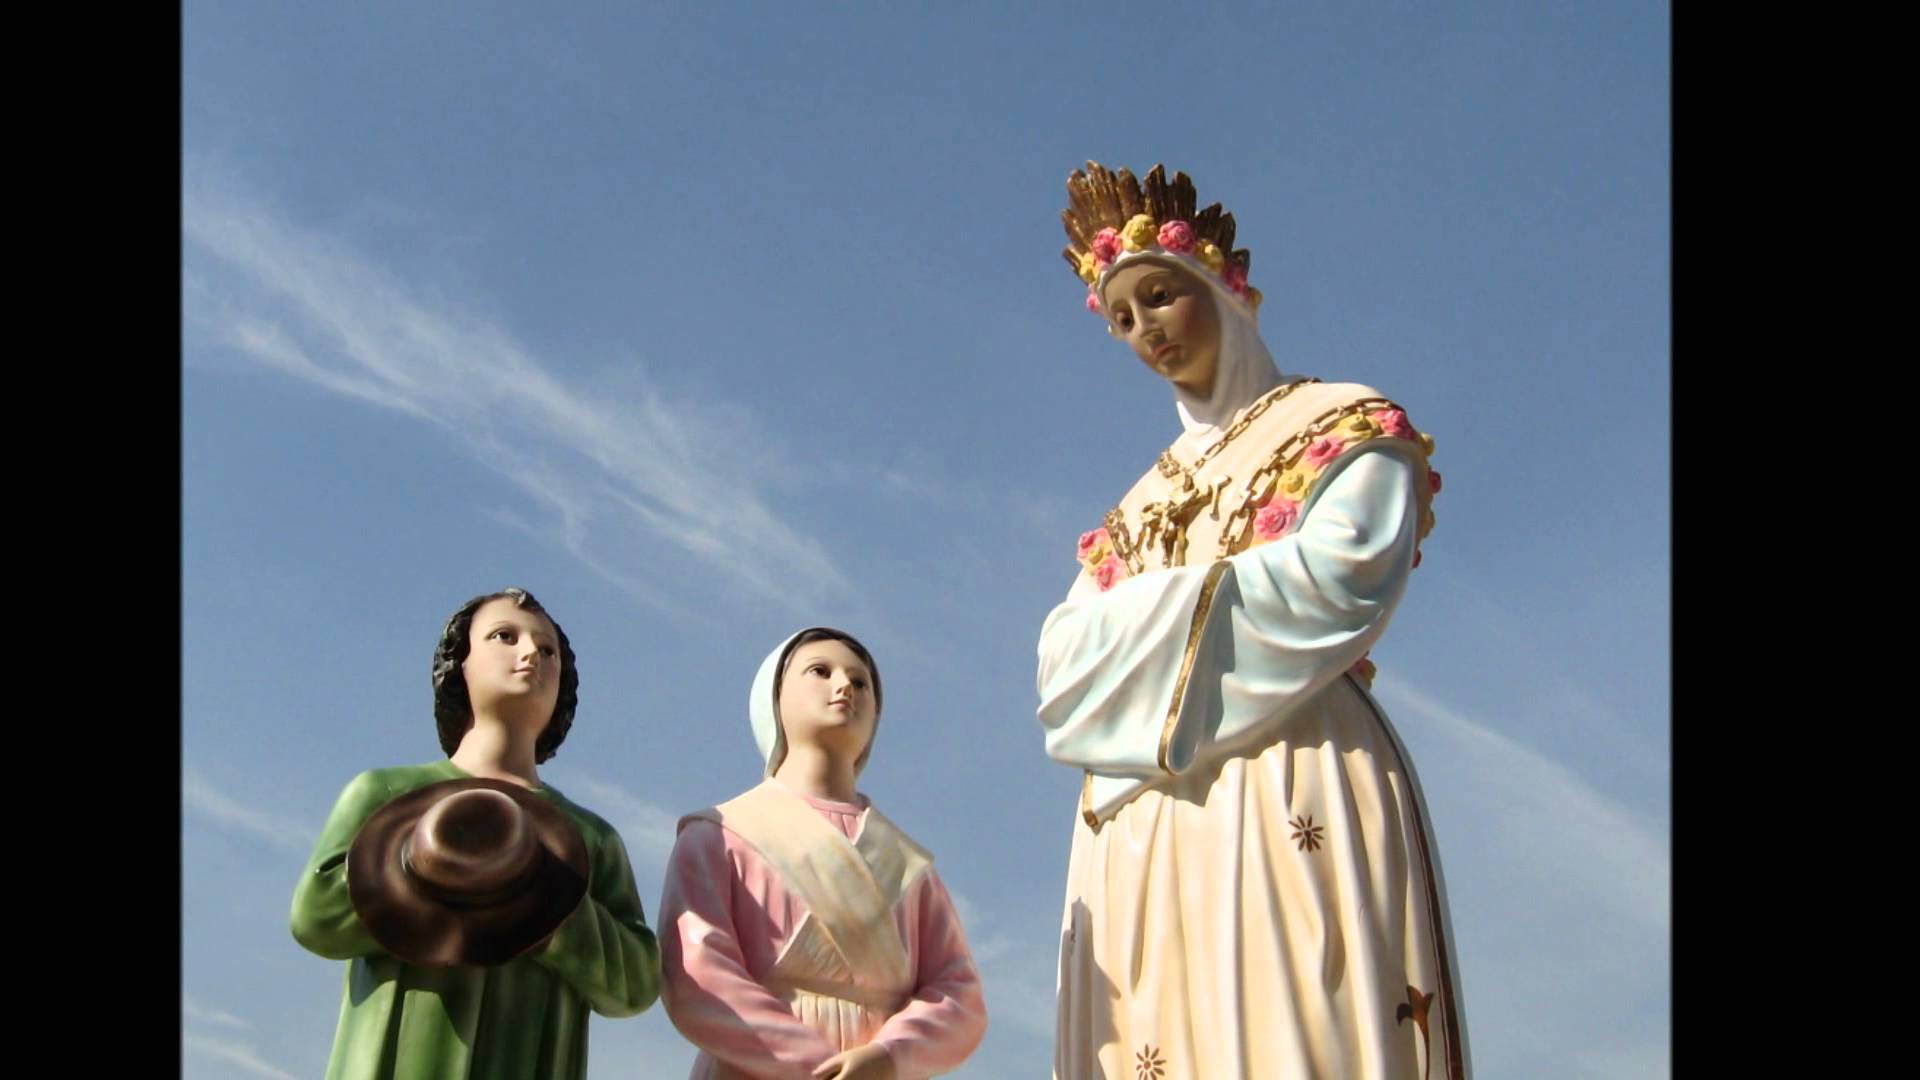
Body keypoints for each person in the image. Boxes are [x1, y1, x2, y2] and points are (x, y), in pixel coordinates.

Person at [1039, 163, 1469, 1078]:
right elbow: (1061, 672)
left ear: (1226, 287)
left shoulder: (1342, 425)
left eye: (1160, 296)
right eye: (1123, 319)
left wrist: (1140, 629)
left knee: (1295, 1023)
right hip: (1143, 826)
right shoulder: (1133, 510)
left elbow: (1340, 576)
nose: (1146, 329)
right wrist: (1199, 603)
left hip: (1290, 772)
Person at [290, 586, 661, 1079]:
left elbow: (636, 982)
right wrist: (425, 864)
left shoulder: (592, 838)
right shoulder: (384, 792)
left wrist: (549, 902)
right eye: (504, 636)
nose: (531, 653)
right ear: (459, 664)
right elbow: (317, 917)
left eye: (547, 650)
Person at [659, 628, 987, 1079]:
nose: (844, 685)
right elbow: (699, 973)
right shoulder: (719, 834)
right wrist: (819, 1069)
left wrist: (891, 1056)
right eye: (820, 671)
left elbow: (959, 993)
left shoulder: (909, 865)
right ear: (774, 698)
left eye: (861, 681)